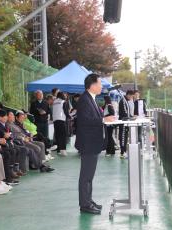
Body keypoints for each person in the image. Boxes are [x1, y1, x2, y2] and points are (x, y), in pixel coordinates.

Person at [75, 74, 115, 214]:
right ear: (92, 85)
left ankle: (88, 200)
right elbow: (85, 121)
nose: (101, 86)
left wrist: (104, 118)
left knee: (89, 176)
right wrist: (104, 120)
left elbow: (94, 117)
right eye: (99, 83)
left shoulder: (90, 98)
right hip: (88, 143)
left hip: (92, 143)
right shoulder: (84, 100)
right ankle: (85, 205)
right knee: (86, 176)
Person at [52, 92, 70, 156]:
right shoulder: (63, 102)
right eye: (64, 95)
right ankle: (63, 150)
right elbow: (66, 111)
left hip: (55, 120)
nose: (65, 96)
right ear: (62, 95)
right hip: (61, 120)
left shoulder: (54, 102)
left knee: (58, 135)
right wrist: (70, 116)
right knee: (63, 135)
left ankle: (59, 150)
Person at [118, 90, 134, 158]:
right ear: (128, 95)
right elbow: (124, 113)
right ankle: (122, 152)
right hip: (123, 122)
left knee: (125, 137)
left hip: (126, 122)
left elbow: (127, 112)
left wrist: (131, 117)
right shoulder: (123, 101)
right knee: (123, 137)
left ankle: (124, 151)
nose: (131, 98)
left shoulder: (126, 101)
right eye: (131, 96)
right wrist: (130, 117)